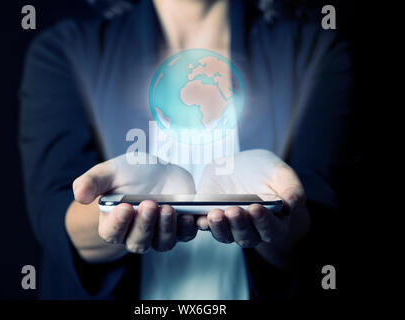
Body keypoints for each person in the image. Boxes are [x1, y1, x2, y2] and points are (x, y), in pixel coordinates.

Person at [19, 0, 358, 299]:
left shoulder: (316, 52)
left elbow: (320, 228)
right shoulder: (66, 51)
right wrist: (113, 211)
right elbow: (55, 212)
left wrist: (278, 216)